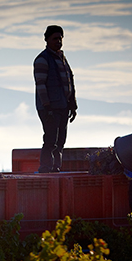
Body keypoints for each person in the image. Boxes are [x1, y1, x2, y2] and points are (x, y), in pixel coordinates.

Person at [33, 25, 78, 173]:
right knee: (51, 139)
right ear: (46, 40)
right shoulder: (42, 59)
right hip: (50, 108)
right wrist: (47, 106)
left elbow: (70, 82)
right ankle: (45, 167)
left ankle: (55, 167)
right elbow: (41, 85)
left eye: (60, 38)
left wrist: (73, 105)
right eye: (55, 38)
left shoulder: (63, 59)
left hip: (63, 106)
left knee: (61, 140)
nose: (58, 41)